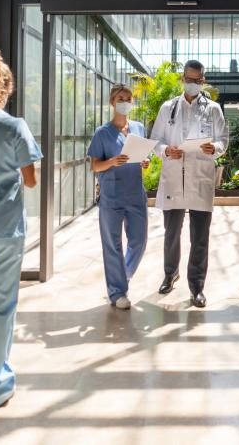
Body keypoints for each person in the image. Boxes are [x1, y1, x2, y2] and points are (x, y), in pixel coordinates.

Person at [0, 49, 42, 408]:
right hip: (4, 230)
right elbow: (30, 181)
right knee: (1, 306)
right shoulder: (15, 127)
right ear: (5, 86)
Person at [150, 60, 227, 308]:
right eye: (188, 79)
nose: (192, 84)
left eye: (196, 80)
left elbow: (223, 140)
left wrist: (213, 147)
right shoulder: (168, 108)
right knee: (171, 233)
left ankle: (197, 287)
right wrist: (165, 151)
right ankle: (170, 274)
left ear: (202, 81)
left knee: (199, 237)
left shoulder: (213, 109)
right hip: (174, 177)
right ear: (182, 78)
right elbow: (155, 140)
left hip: (200, 178)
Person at [88, 83, 150, 310]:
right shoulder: (102, 133)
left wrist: (145, 161)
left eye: (128, 98)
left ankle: (122, 276)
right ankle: (117, 292)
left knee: (139, 241)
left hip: (135, 193)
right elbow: (94, 166)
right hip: (111, 196)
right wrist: (113, 162)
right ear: (112, 102)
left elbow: (143, 157)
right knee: (112, 245)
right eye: (120, 98)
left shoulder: (139, 128)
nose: (125, 102)